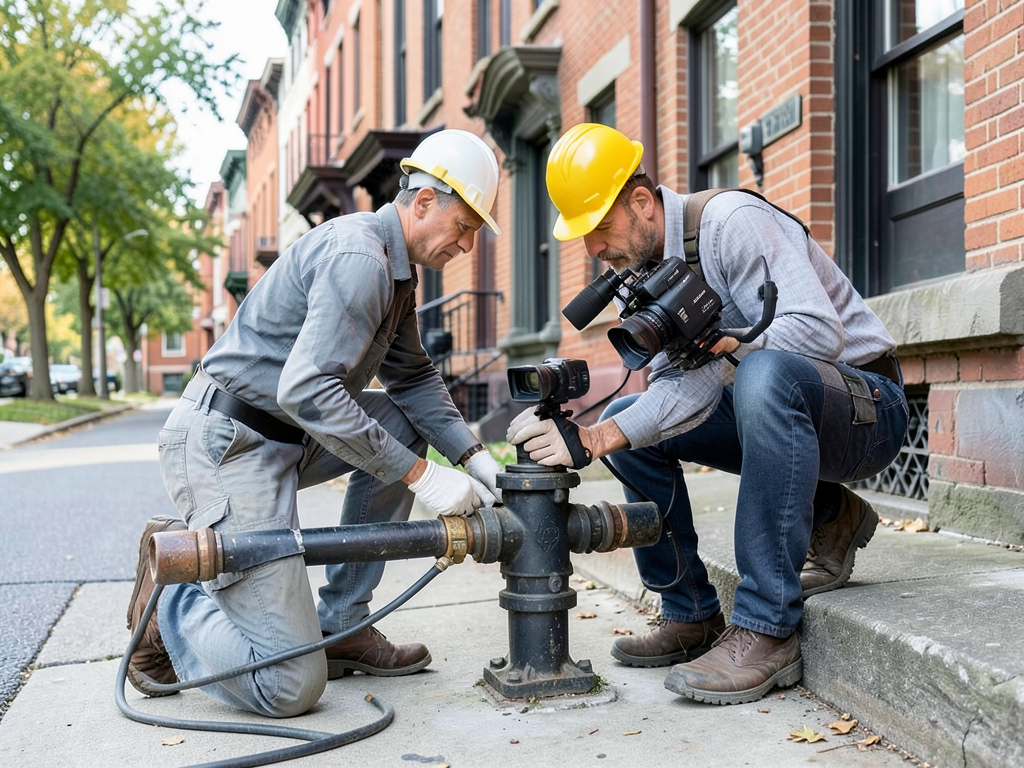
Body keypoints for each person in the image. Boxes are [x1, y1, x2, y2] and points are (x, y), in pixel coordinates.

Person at [508, 123, 909, 705]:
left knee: (763, 375)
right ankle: (691, 611)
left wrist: (731, 341)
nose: (593, 249)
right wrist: (596, 438)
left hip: (867, 407)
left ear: (641, 202)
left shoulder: (731, 222)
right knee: (635, 420)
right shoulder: (646, 273)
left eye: (599, 229)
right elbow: (680, 394)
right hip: (782, 409)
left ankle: (767, 626)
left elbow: (821, 332)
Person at [127, 129, 505, 717]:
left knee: (403, 420)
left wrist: (476, 460)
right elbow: (306, 390)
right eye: (465, 227)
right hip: (229, 446)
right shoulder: (359, 257)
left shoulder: (397, 271)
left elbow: (413, 380)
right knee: (288, 686)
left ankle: (345, 624)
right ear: (425, 202)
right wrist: (421, 479)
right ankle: (174, 590)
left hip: (287, 439)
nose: (467, 245)